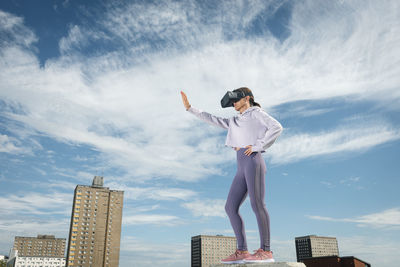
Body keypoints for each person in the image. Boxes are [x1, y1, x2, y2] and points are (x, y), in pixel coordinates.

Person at [181, 88, 283, 264]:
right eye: (232, 102)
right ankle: (242, 251)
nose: (233, 104)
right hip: (241, 165)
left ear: (247, 98)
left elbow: (277, 127)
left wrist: (259, 145)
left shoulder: (257, 113)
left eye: (236, 100)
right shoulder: (236, 120)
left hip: (253, 161)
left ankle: (266, 251)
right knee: (230, 207)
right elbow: (213, 119)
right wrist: (190, 108)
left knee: (257, 204)